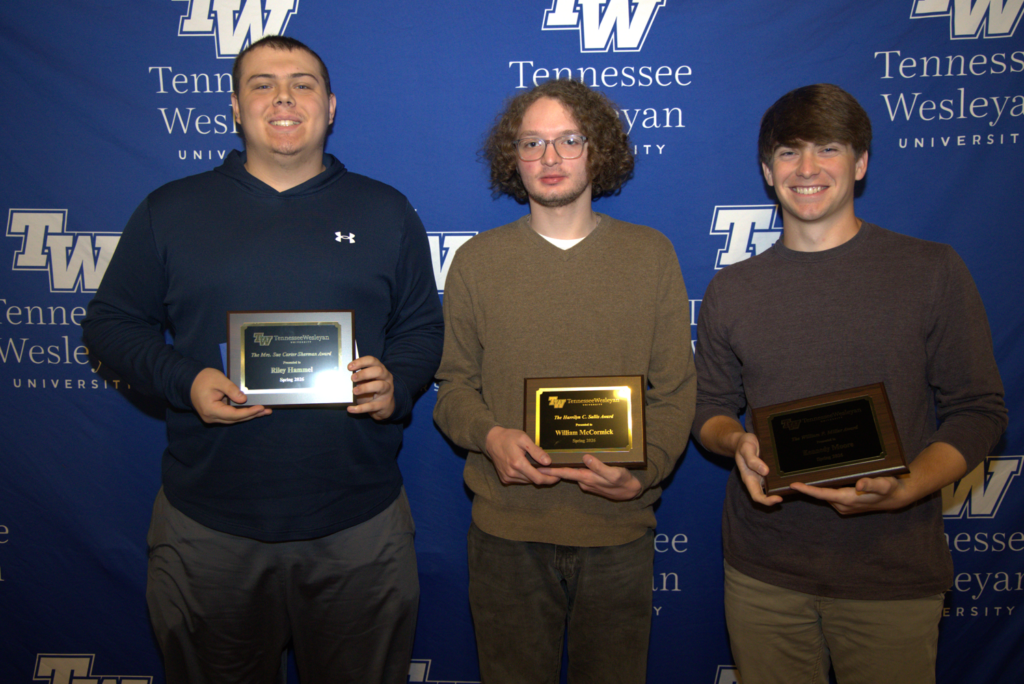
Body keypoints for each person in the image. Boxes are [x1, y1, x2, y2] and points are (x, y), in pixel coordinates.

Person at [82, 35, 443, 684]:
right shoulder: (171, 210)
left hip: (359, 523)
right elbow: (109, 325)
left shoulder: (386, 211)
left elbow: (420, 327)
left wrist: (401, 381)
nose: (283, 97)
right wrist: (184, 379)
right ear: (235, 107)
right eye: (262, 83)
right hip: (209, 526)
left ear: (330, 106)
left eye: (303, 83)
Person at [692, 84, 1007, 684]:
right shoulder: (732, 289)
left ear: (860, 164)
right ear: (767, 171)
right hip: (765, 573)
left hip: (890, 569)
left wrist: (908, 486)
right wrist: (736, 444)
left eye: (827, 149)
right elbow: (709, 407)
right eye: (788, 152)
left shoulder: (931, 270)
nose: (807, 169)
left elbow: (979, 410)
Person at [432, 78, 696, 683]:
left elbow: (677, 392)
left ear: (597, 150)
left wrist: (646, 469)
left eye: (568, 140)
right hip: (506, 534)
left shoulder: (650, 255)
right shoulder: (477, 261)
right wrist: (490, 436)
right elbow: (453, 389)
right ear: (512, 159)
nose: (549, 159)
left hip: (618, 534)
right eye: (532, 144)